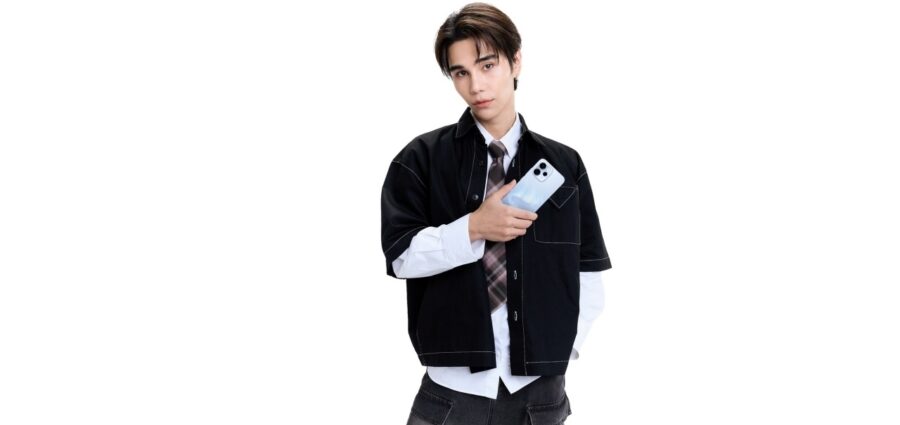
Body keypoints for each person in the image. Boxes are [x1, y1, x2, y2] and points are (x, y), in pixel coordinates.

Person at [380, 3, 612, 424]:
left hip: (540, 394)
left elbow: (588, 269)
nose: (476, 85)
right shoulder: (421, 158)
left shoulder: (564, 164)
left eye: (487, 65)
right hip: (453, 392)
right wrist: (472, 228)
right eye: (460, 73)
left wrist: (558, 349)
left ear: (515, 61)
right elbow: (401, 257)